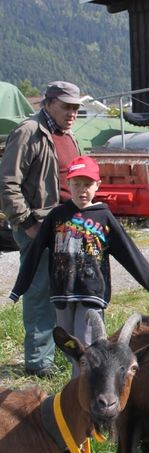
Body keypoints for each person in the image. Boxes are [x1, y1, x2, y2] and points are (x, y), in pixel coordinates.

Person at [9, 156, 149, 377]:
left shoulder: (104, 217)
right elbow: (34, 254)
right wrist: (19, 288)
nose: (82, 190)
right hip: (62, 293)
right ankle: (79, 388)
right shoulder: (57, 216)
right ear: (68, 184)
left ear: (97, 186)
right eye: (77, 184)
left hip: (91, 293)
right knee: (70, 347)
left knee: (87, 347)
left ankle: (83, 389)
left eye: (88, 184)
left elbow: (129, 253)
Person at [0, 81, 82, 377]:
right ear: (48, 104)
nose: (72, 113)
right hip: (39, 225)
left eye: (76, 108)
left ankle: (61, 353)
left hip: (69, 225)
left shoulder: (68, 135)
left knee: (65, 290)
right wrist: (28, 225)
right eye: (66, 107)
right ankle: (38, 362)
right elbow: (7, 184)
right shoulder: (28, 132)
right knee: (39, 291)